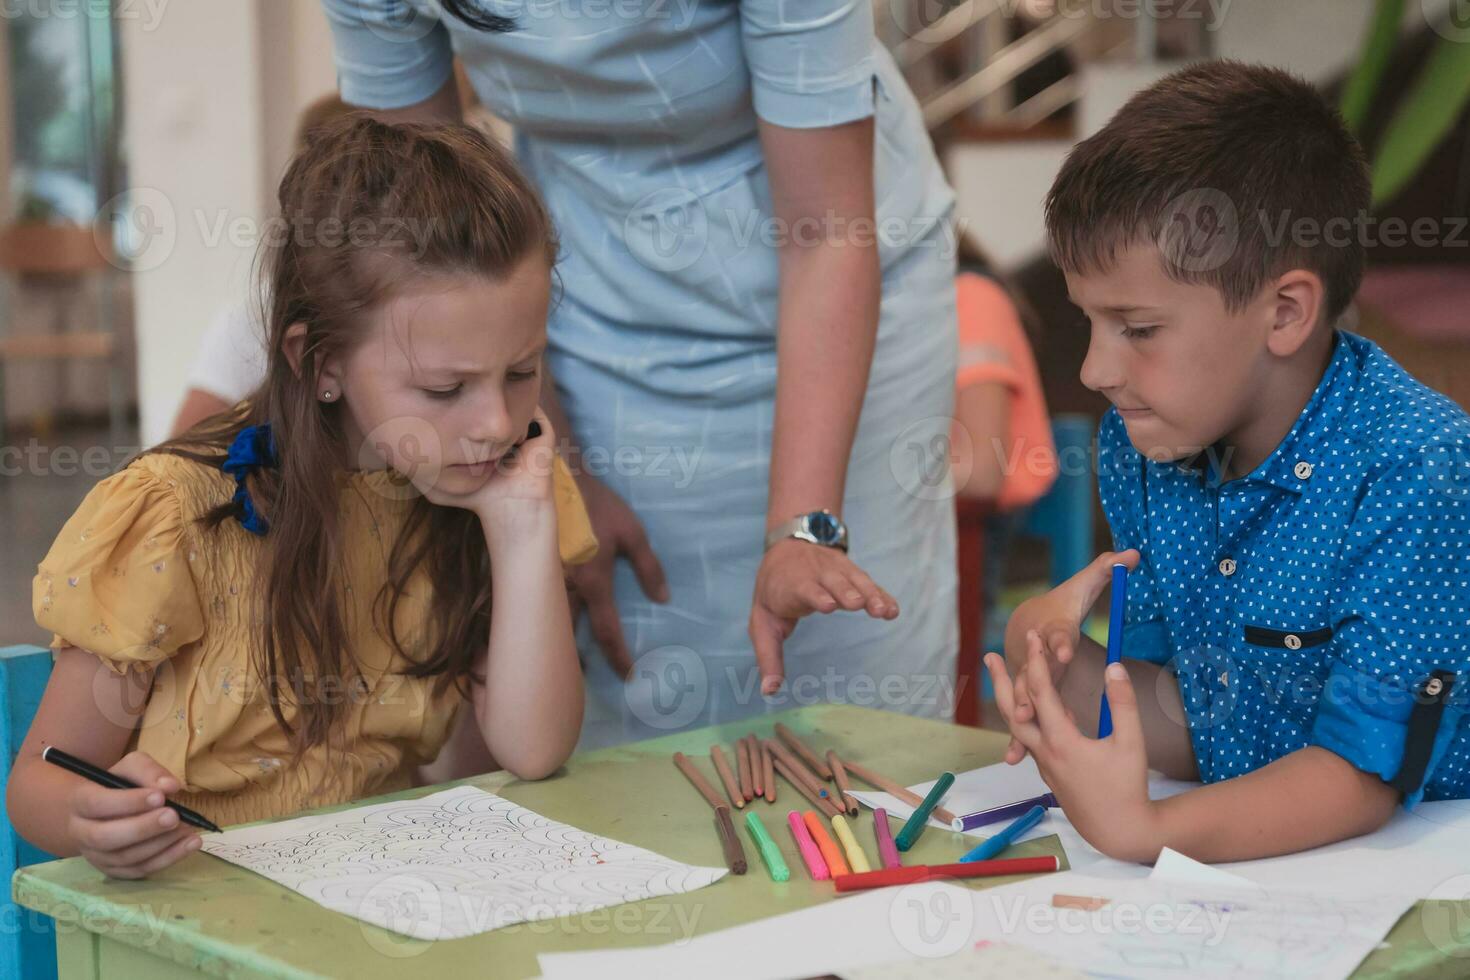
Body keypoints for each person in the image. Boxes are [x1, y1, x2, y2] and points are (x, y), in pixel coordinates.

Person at [319, 0, 961, 744]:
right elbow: (428, 244)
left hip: (840, 276)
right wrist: (560, 463)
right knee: (640, 701)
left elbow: (824, 233)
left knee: (854, 706)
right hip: (577, 292)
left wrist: (805, 529)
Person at [7, 116, 598, 878]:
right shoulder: (177, 514)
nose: (494, 422)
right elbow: (38, 784)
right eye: (445, 388)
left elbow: (536, 749)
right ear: (318, 363)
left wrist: (520, 533)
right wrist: (92, 822)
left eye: (522, 372)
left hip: (376, 897)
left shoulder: (505, 480)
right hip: (197, 904)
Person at [988, 61, 1470, 863]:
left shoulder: (1416, 466)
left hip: (1418, 873)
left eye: (1137, 328)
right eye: (1089, 323)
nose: (1094, 371)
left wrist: (1148, 833)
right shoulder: (1144, 442)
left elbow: (1363, 778)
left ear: (1283, 313)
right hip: (1255, 869)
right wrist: (1059, 662)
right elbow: (1191, 724)